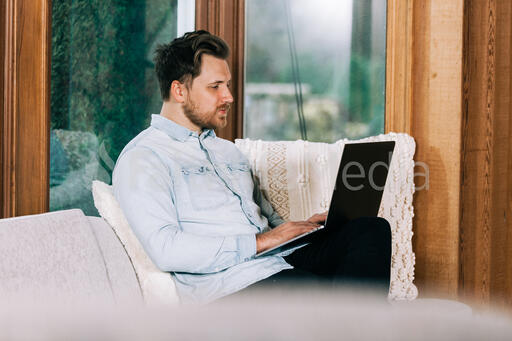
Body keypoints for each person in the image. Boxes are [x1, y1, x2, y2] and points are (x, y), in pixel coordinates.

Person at [112, 30, 391, 304]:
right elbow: (166, 249)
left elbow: (268, 221)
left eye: (228, 85)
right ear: (179, 91)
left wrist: (308, 227)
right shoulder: (144, 157)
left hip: (279, 260)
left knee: (370, 230)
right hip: (233, 284)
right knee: (326, 294)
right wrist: (260, 242)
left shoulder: (229, 153)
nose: (229, 96)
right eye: (215, 87)